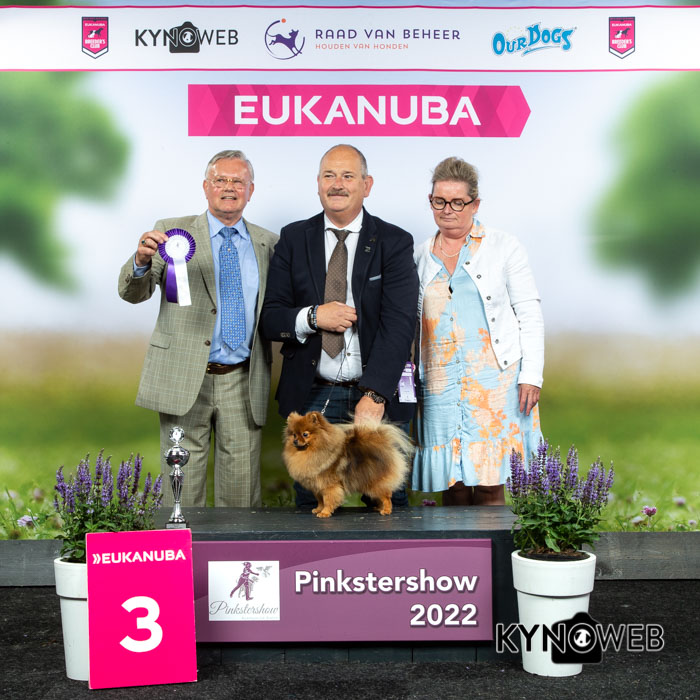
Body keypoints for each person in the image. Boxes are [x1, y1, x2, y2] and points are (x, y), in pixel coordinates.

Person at [261, 144, 419, 508]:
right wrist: (314, 317)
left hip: (379, 396)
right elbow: (271, 318)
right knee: (313, 505)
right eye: (329, 175)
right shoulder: (293, 238)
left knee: (386, 503)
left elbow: (400, 325)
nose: (337, 184)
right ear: (318, 183)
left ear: (367, 184)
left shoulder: (395, 242)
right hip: (313, 396)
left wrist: (375, 395)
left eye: (348, 176)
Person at [118, 150, 278, 507]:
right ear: (206, 187)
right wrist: (141, 261)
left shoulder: (269, 243)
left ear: (251, 190)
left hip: (243, 378)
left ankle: (235, 545)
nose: (229, 187)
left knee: (241, 492)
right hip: (184, 375)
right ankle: (180, 543)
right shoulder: (171, 232)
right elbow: (133, 294)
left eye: (238, 181)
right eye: (220, 180)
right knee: (181, 488)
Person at [412, 157, 543, 506]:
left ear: (475, 204)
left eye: (458, 202)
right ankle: (456, 545)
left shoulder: (504, 246)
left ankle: (490, 543)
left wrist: (532, 375)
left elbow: (529, 312)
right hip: (438, 383)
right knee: (451, 482)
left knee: (489, 481)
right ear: (430, 201)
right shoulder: (419, 255)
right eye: (439, 201)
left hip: (495, 382)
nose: (447, 210)